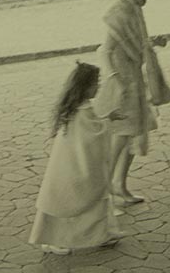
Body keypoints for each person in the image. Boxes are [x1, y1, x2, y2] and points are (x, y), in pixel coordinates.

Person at [95, 0, 170, 210]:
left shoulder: (134, 10)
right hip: (123, 85)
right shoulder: (119, 13)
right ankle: (103, 191)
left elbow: (135, 43)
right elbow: (105, 50)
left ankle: (119, 184)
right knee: (120, 137)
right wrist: (114, 77)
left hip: (134, 82)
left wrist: (152, 43)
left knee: (133, 134)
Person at [29, 62, 124, 255]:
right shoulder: (82, 113)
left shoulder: (76, 110)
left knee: (75, 200)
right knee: (66, 202)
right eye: (95, 83)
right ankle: (53, 239)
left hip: (69, 164)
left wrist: (106, 120)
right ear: (84, 86)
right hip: (72, 167)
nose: (98, 87)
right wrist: (108, 121)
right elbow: (93, 135)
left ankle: (101, 234)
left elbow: (92, 129)